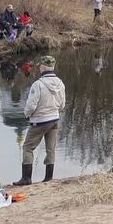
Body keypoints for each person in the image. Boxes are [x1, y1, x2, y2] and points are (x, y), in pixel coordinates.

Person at [14, 55, 66, 186]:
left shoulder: (38, 84)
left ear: (42, 67)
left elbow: (31, 105)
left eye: (39, 66)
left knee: (27, 147)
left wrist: (26, 114)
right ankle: (48, 178)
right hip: (54, 120)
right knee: (51, 149)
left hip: (39, 122)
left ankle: (26, 178)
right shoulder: (60, 83)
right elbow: (62, 105)